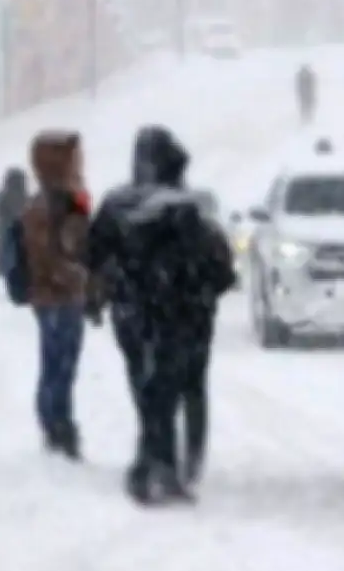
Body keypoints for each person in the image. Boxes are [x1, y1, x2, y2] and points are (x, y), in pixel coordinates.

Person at [86, 125, 236, 504]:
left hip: (132, 311)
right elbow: (216, 267)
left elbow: (92, 256)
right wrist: (203, 296)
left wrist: (99, 297)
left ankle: (154, 461)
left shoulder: (117, 204)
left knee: (147, 388)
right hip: (182, 315)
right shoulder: (189, 209)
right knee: (181, 389)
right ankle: (172, 464)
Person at [19, 130, 93, 459]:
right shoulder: (51, 203)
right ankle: (57, 428)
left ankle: (58, 425)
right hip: (57, 298)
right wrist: (79, 279)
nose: (81, 162)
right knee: (58, 365)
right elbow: (52, 256)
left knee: (59, 364)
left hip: (59, 297)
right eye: (75, 157)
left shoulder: (63, 199)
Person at [0, 167, 29, 276]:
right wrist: (0, 227)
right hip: (7, 230)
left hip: (21, 232)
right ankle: (2, 272)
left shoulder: (25, 197)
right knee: (5, 252)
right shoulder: (3, 196)